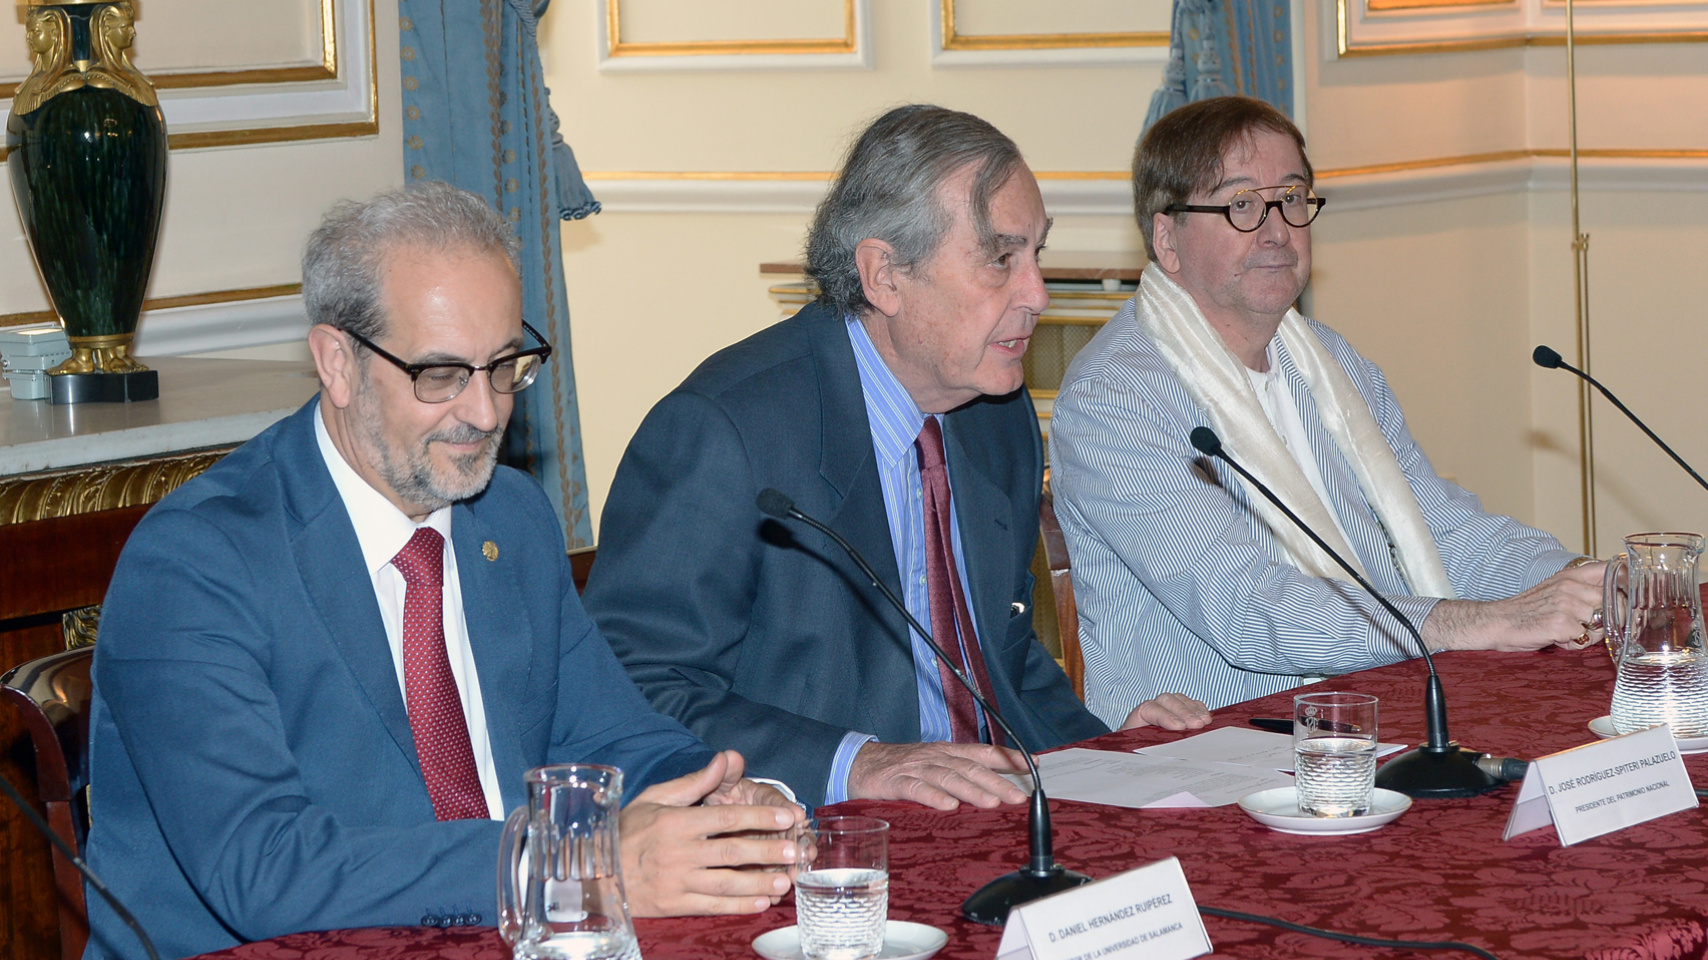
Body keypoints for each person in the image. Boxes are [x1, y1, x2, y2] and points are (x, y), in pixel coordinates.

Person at [82, 184, 803, 960]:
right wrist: (567, 863)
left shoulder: (510, 517)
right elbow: (264, 868)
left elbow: (611, 735)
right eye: (441, 375)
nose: (487, 413)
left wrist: (723, 800)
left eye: (503, 367)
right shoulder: (196, 562)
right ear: (338, 364)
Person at [583, 105, 1210, 813]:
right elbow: (630, 689)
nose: (1037, 294)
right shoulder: (724, 431)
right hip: (825, 843)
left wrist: (1107, 759)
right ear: (884, 275)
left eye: (1036, 254)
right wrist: (856, 764)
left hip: (991, 815)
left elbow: (999, 662)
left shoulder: (995, 418)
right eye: (1001, 259)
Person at [1048, 96, 1606, 724]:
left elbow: (1444, 532)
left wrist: (1591, 584)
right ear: (1166, 238)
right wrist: (1478, 621)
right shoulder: (1117, 398)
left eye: (1291, 198)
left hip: (1376, 714)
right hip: (1213, 748)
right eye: (1240, 205)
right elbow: (1248, 608)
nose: (1277, 229)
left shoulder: (1326, 360)